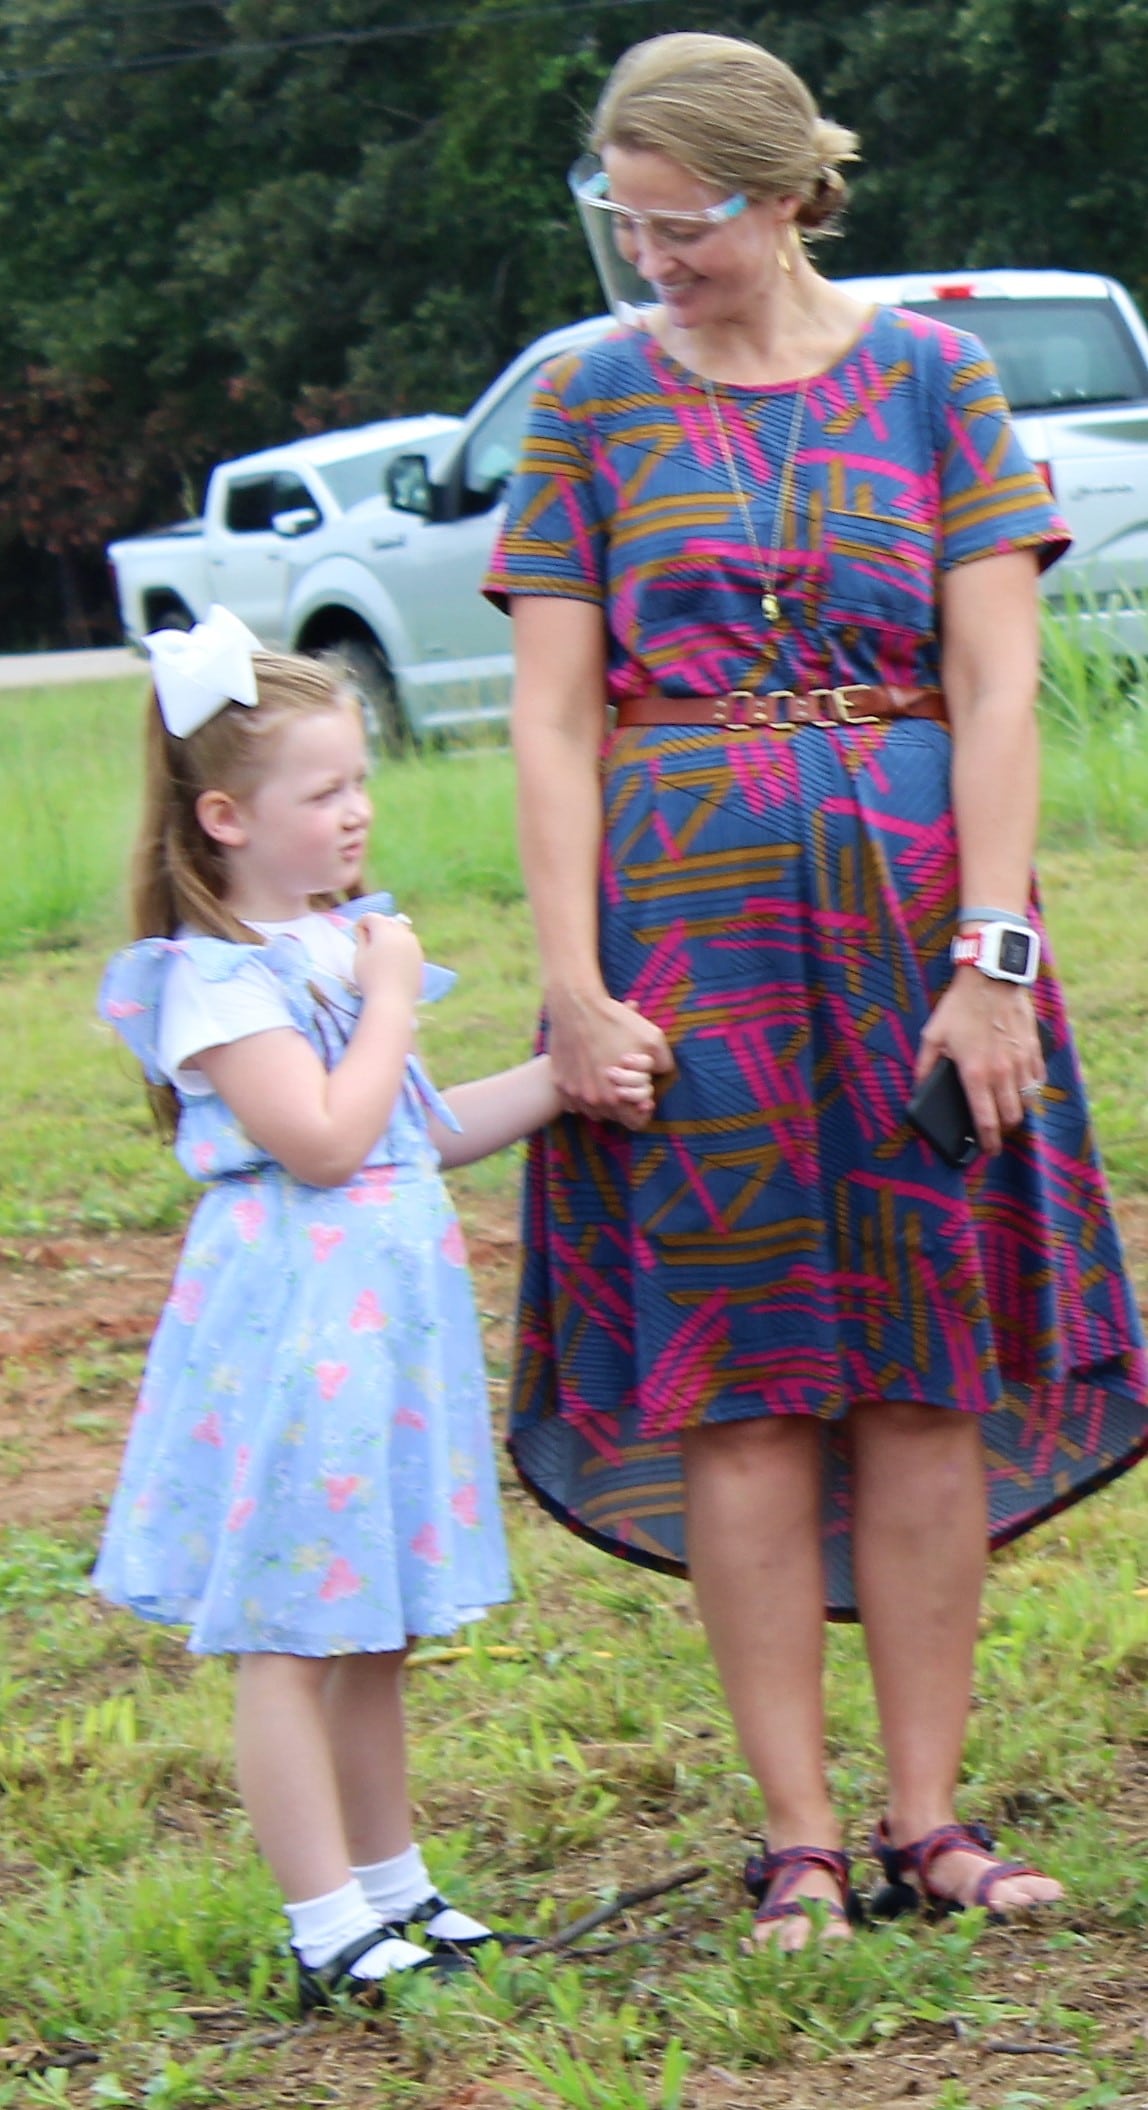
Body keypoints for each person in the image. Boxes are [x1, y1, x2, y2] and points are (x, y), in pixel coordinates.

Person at [484, 31, 1148, 1948]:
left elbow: (999, 686)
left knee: (926, 1376)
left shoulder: (935, 379)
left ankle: (931, 1821)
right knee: (743, 1390)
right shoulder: (588, 400)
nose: (650, 260)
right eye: (623, 225)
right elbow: (550, 721)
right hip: (686, 945)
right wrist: (570, 984)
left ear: (780, 196)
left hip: (919, 934)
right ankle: (798, 1839)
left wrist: (994, 959)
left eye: (678, 224)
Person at [93, 605, 654, 2008]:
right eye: (324, 791)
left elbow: (413, 1130)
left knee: (371, 1622)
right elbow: (329, 1142)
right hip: (298, 1336)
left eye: (361, 782)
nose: (357, 811)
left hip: (380, 1335)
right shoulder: (213, 980)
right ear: (226, 817)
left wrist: (564, 1079)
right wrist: (393, 988)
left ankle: (395, 1884)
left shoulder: (337, 946)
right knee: (291, 1627)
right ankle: (323, 1921)